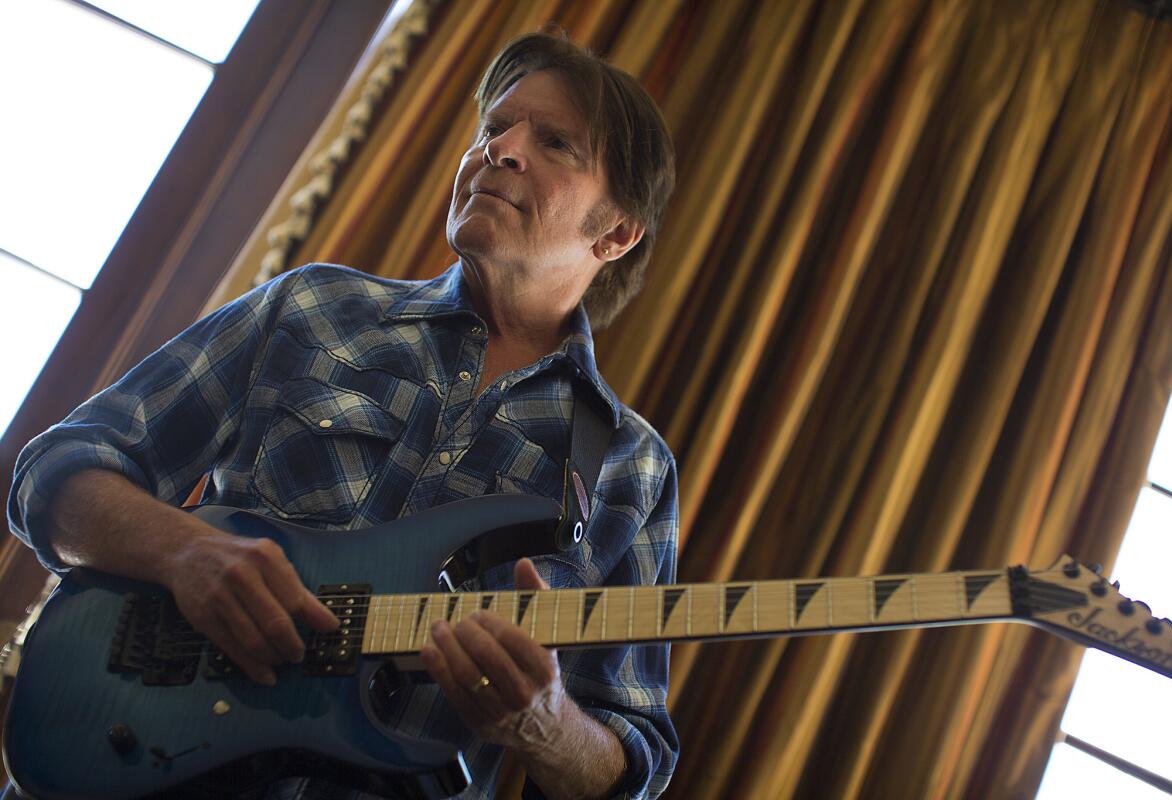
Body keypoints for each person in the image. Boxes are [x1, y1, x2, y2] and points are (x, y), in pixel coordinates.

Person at [6, 32, 678, 800]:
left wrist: (547, 720)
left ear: (616, 232)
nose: (500, 150)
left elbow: (633, 761)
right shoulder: (314, 307)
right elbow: (56, 473)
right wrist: (182, 552)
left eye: (553, 142)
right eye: (494, 128)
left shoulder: (632, 466)